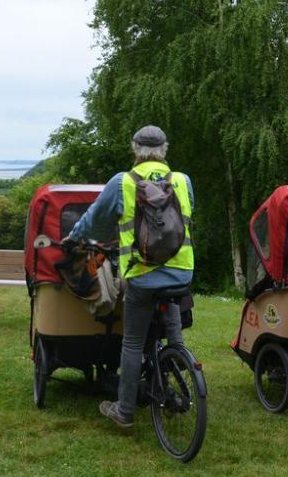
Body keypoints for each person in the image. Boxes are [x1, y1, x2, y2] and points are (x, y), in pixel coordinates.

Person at [64, 125, 195, 428]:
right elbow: (188, 216)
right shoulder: (182, 181)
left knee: (133, 343)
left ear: (135, 149)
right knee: (173, 311)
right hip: (181, 272)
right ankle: (179, 366)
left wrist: (73, 238)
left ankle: (124, 411)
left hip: (141, 274)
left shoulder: (122, 182)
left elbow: (94, 221)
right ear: (165, 149)